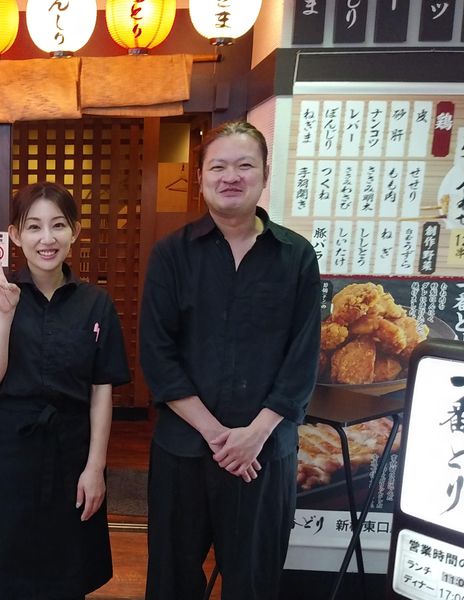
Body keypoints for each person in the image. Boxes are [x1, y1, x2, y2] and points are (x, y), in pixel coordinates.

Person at [140, 121, 321, 600]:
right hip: (184, 449)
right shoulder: (171, 255)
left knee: (254, 581)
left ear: (264, 175)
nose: (231, 176)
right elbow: (157, 354)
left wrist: (253, 436)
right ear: (200, 176)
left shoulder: (297, 257)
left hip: (263, 453)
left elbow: (302, 359)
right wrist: (219, 436)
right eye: (218, 166)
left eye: (245, 165)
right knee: (172, 580)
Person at [0, 181, 131, 600]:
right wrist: (4, 316)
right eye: (34, 227)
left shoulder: (96, 303)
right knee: (6, 572)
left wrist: (95, 468)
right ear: (15, 235)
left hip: (71, 453)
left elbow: (101, 391)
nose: (47, 238)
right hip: (9, 454)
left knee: (67, 572)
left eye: (58, 225)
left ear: (75, 231)